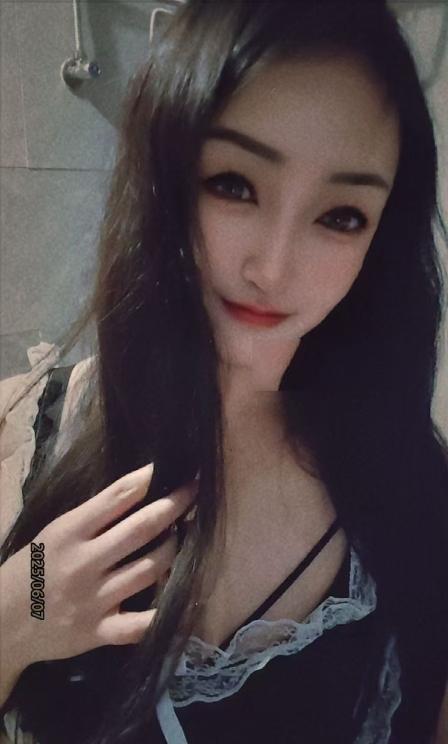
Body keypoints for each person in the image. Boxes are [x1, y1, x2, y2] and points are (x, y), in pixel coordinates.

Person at [0, 1, 447, 742]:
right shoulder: (29, 428)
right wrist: (28, 603)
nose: (274, 266)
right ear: (168, 178)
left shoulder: (408, 483)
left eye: (341, 215)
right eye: (235, 183)